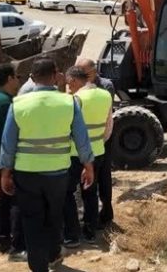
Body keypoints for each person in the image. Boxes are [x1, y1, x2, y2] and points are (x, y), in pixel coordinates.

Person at [0, 58, 95, 272]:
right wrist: (88, 165)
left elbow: (8, 143)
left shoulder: (18, 104)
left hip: (27, 174)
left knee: (32, 219)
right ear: (55, 76)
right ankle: (52, 255)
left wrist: (5, 172)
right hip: (58, 174)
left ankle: (38, 266)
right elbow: (82, 139)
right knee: (54, 215)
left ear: (32, 78)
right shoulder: (69, 103)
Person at [62, 66, 113, 247]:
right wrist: (98, 142)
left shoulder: (76, 99)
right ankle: (91, 232)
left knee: (67, 193)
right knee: (91, 192)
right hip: (98, 152)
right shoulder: (105, 95)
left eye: (69, 84)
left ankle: (72, 234)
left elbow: (69, 128)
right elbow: (109, 126)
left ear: (75, 80)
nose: (68, 88)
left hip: (76, 154)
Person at [0, 63, 26, 261]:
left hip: (0, 157)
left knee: (5, 198)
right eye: (16, 77)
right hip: (4, 160)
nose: (18, 80)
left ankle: (2, 238)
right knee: (11, 199)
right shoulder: (5, 103)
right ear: (9, 78)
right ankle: (10, 241)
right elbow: (8, 137)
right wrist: (6, 169)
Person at [74, 57, 115, 228]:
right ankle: (90, 218)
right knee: (88, 185)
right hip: (91, 144)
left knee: (103, 181)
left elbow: (107, 118)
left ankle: (105, 214)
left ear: (94, 71)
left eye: (84, 73)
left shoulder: (105, 87)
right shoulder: (78, 91)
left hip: (102, 142)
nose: (81, 76)